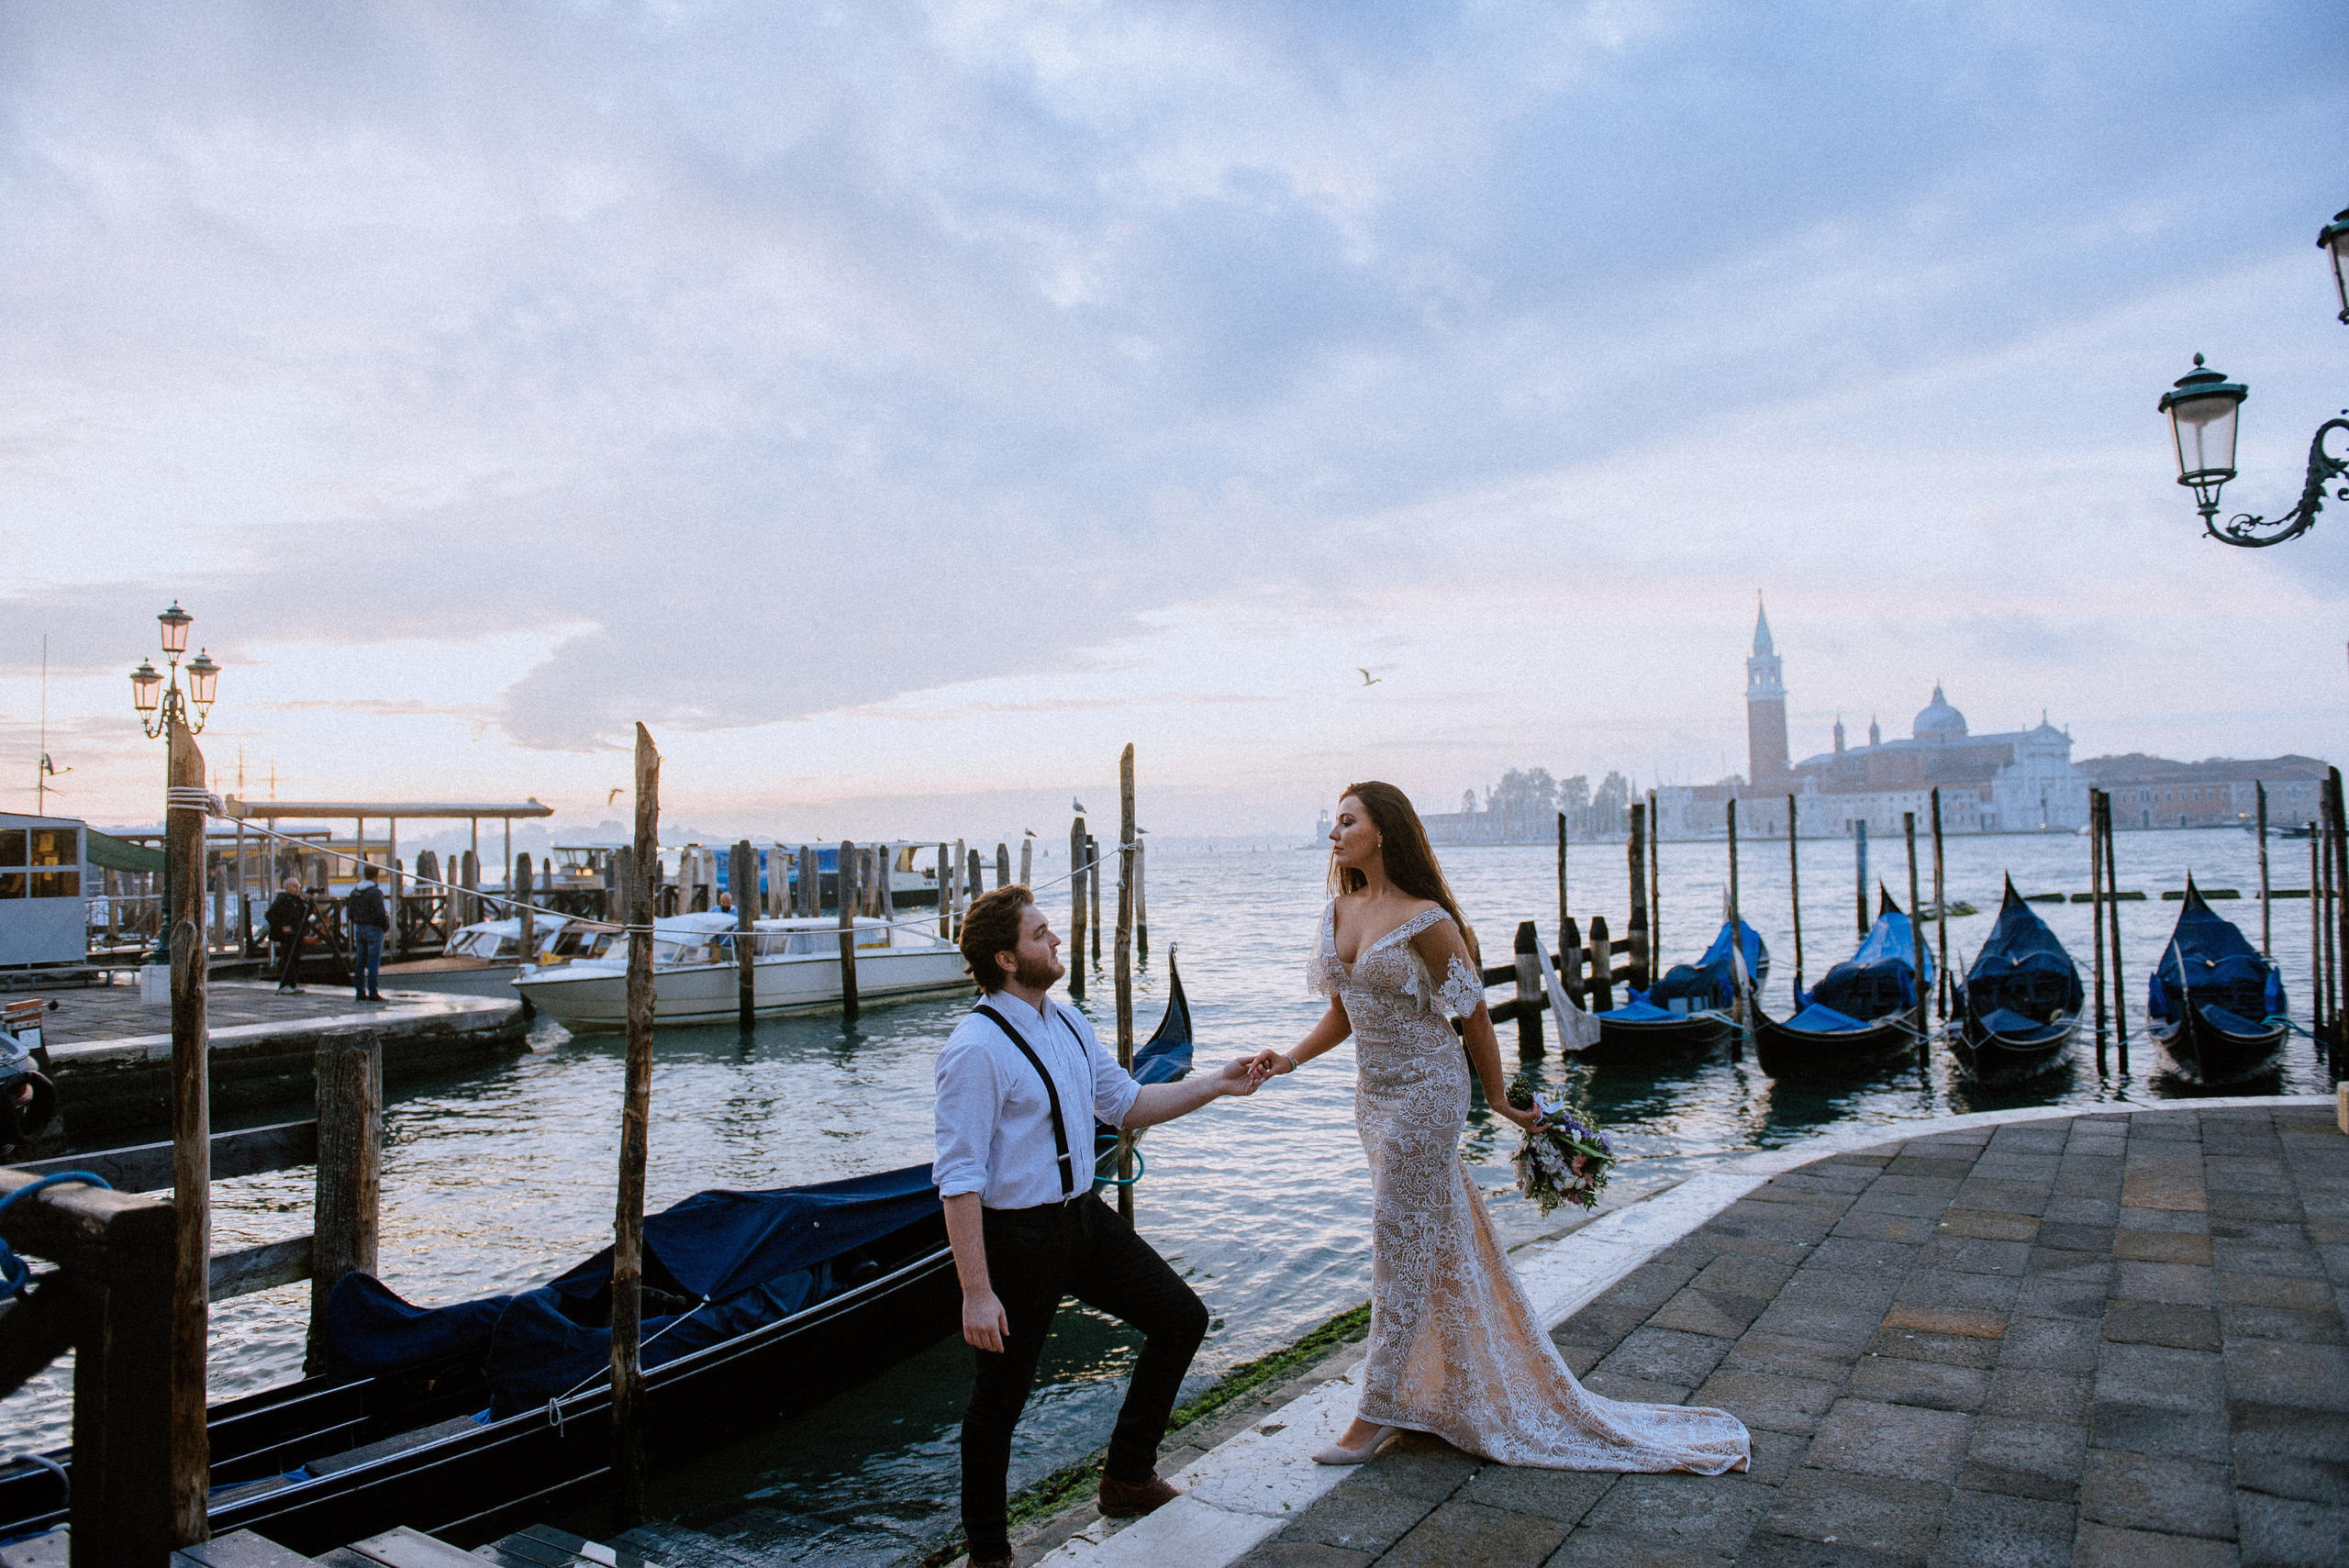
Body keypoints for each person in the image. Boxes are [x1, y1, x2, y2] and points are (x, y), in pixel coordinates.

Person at [1263, 781, 1749, 1474]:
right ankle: (1444, 1387)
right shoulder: (1339, 909)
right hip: (1373, 1097)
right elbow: (1345, 1013)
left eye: (1348, 821)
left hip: (1428, 1091)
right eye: (1334, 822)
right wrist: (1288, 1059)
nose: (1334, 832)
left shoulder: (1425, 919)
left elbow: (1474, 1015)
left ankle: (1377, 1408)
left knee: (1397, 1240)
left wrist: (1496, 1096)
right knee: (1434, 1238)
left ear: (1384, 831)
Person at [935, 884, 1275, 1568]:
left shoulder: (1065, 1022)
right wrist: (977, 1291)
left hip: (1083, 1218)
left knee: (1181, 1317)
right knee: (1000, 1400)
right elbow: (959, 1178)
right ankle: (989, 1554)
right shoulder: (975, 1048)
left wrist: (1217, 1083)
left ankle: (1126, 1477)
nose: (1056, 939)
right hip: (1017, 1239)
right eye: (1040, 934)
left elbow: (1126, 1103)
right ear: (1006, 959)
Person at [346, 866, 390, 1003]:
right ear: (376, 876)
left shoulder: (355, 891)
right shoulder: (375, 892)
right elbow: (380, 913)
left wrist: (358, 922)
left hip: (359, 929)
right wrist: (385, 927)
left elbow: (349, 913)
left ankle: (360, 992)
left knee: (360, 962)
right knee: (373, 962)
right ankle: (373, 992)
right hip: (374, 929)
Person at [265, 877, 310, 993]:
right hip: (287, 935)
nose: (297, 889)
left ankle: (293, 983)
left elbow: (304, 913)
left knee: (295, 959)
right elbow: (269, 915)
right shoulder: (282, 899)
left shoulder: (298, 900)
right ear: (287, 887)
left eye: (298, 886)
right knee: (287, 958)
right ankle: (284, 984)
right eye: (294, 886)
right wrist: (282, 926)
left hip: (296, 933)